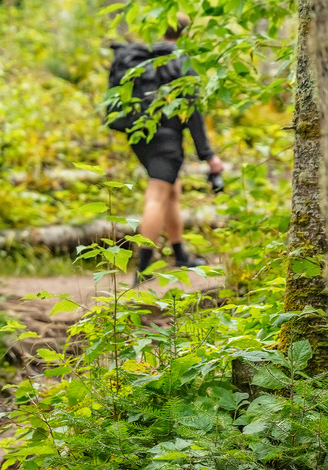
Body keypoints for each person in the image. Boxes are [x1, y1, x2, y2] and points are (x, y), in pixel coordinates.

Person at [129, 13, 225, 285]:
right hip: (167, 140)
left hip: (140, 137)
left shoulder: (146, 58)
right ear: (186, 33)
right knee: (156, 196)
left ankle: (180, 253)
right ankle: (143, 269)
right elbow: (193, 112)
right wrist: (209, 155)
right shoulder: (182, 62)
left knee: (172, 191)